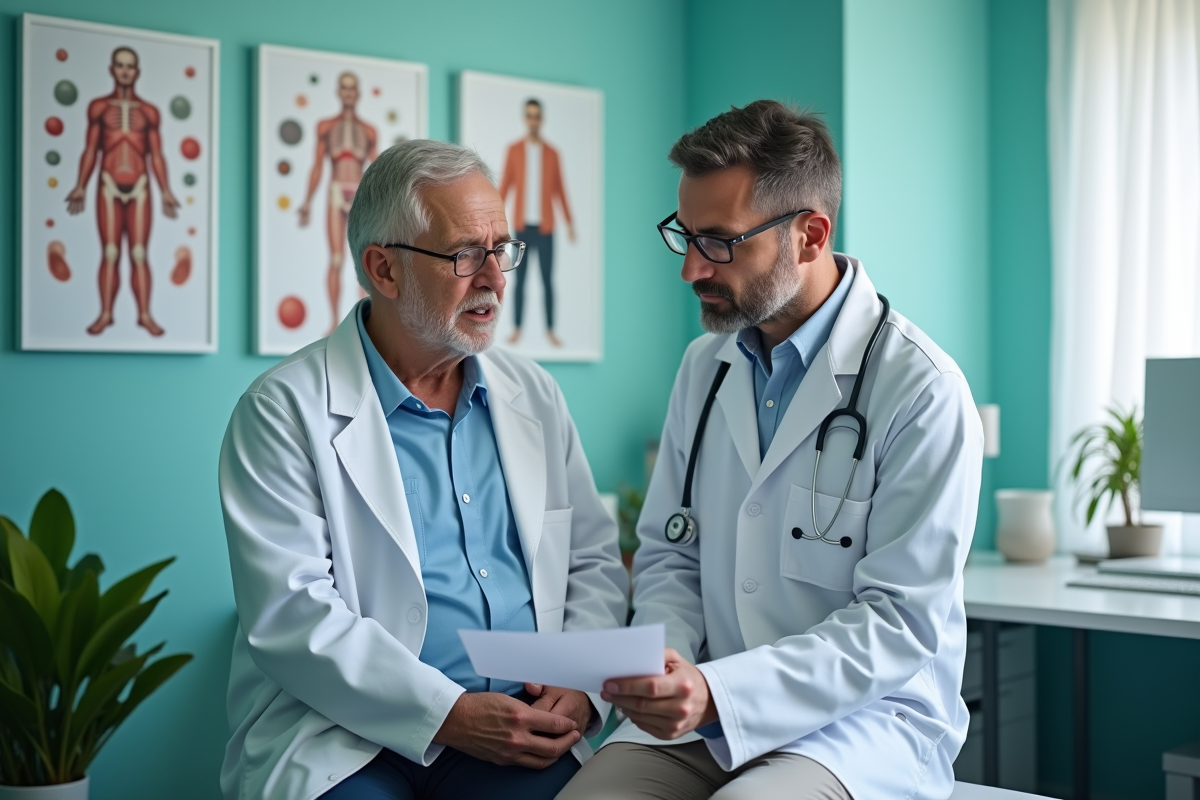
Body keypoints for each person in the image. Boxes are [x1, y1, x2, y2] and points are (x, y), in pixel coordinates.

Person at [559, 101, 983, 800]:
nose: (692, 269)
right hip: (701, 714)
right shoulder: (706, 366)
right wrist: (668, 662)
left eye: (720, 242)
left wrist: (721, 690)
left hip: (861, 724)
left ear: (809, 235)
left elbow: (897, 623)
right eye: (685, 237)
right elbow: (671, 553)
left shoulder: (921, 390)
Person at [219, 139, 628, 800]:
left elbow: (592, 562)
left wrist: (578, 685)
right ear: (383, 269)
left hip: (521, 727)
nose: (495, 278)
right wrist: (449, 715)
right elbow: (291, 614)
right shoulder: (281, 409)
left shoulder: (535, 395)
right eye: (467, 254)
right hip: (348, 732)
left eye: (502, 249)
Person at [66, 46, 181, 337]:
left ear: (137, 71)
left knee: (140, 253)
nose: (125, 70)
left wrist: (166, 189)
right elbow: (91, 149)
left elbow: (156, 154)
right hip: (108, 183)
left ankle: (144, 314)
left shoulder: (149, 112)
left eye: (130, 66)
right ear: (112, 69)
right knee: (110, 251)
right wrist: (80, 184)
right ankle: (106, 314)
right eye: (120, 65)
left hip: (141, 185)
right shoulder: (99, 108)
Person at [298, 71, 378, 334]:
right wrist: (307, 202)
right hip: (335, 191)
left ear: (358, 93)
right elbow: (317, 167)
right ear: (338, 92)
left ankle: (366, 325)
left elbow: (380, 171)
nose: (348, 94)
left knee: (366, 261)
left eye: (352, 89)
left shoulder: (368, 131)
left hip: (360, 195)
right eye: (344, 89)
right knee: (335, 258)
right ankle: (334, 321)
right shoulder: (326, 127)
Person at [498, 98, 574, 348]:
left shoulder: (552, 153)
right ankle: (518, 328)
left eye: (536, 116)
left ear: (541, 119)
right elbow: (505, 186)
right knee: (520, 280)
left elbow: (560, 189)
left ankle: (551, 329)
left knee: (547, 280)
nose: (533, 120)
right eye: (529, 115)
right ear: (525, 118)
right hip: (522, 226)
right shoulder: (514, 150)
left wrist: (570, 222)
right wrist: (493, 221)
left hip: (546, 227)